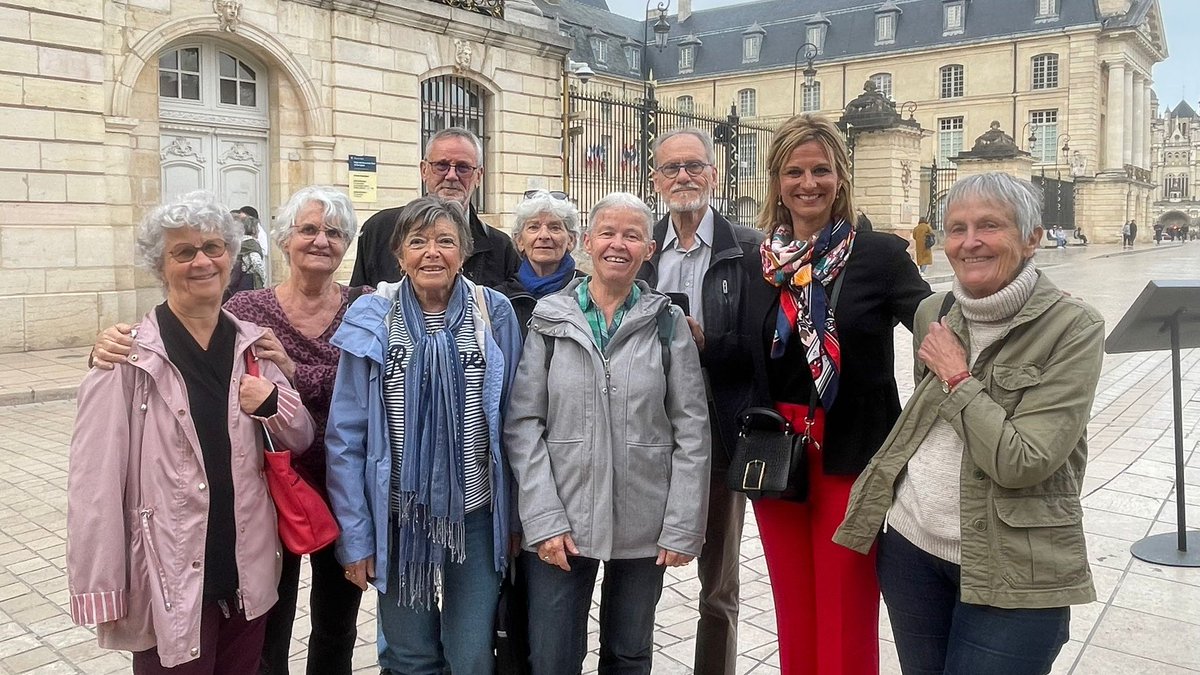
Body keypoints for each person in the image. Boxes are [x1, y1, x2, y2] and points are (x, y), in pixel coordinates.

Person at [91, 186, 370, 675]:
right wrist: (106, 346)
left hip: (342, 489)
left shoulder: (365, 307)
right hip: (265, 497)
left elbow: (375, 388)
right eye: (307, 229)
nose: (320, 240)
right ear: (284, 240)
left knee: (333, 626)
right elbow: (96, 478)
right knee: (268, 633)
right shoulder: (250, 311)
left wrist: (288, 387)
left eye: (333, 232)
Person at [835, 172, 1105, 675]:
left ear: (1032, 238)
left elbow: (1024, 461)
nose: (970, 242)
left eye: (989, 226)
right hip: (912, 549)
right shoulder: (934, 311)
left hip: (1012, 563)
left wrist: (958, 377)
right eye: (956, 228)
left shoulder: (1073, 327)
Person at [742, 114, 930, 674]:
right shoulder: (761, 264)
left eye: (821, 170)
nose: (808, 183)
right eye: (794, 171)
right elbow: (739, 352)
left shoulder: (879, 255)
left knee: (846, 599)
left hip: (851, 448)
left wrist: (1016, 307)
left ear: (841, 178)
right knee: (793, 600)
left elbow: (933, 321)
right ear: (776, 181)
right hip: (777, 451)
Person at [504, 192, 710, 675]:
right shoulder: (550, 319)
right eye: (608, 233)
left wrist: (682, 523)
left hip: (644, 517)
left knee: (629, 654)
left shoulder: (667, 323)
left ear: (649, 249)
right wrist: (542, 518)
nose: (618, 245)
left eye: (632, 235)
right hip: (563, 518)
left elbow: (692, 430)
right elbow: (524, 425)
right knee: (553, 657)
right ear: (588, 243)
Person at [325, 195, 523, 674]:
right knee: (410, 656)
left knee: (471, 654)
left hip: (475, 514)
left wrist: (516, 519)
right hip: (398, 516)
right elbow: (345, 435)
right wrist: (356, 537)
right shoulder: (373, 315)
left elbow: (515, 421)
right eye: (418, 241)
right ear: (399, 254)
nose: (431, 253)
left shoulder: (492, 313)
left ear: (464, 251)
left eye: (445, 242)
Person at [634, 127, 764, 675]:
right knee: (637, 578)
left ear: (714, 174)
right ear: (655, 179)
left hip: (718, 433)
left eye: (693, 166)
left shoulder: (751, 249)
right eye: (671, 169)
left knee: (719, 586)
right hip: (644, 436)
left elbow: (766, 347)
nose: (683, 177)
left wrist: (709, 343)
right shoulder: (638, 247)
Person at [350, 127, 520, 289]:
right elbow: (358, 305)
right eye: (441, 165)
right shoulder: (380, 230)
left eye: (463, 167)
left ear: (478, 176)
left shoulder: (501, 248)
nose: (452, 176)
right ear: (424, 170)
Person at [497, 189, 585, 334]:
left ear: (571, 240)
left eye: (554, 227)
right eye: (533, 227)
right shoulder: (501, 298)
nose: (544, 235)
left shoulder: (588, 293)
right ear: (519, 241)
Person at [224, 210, 267, 301]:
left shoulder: (238, 242)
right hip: (249, 280)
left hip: (235, 280)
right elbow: (257, 262)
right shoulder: (252, 244)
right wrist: (263, 279)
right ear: (253, 229)